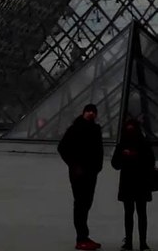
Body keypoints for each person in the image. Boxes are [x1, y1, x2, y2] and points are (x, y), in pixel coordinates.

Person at [59, 104, 104, 250]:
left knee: (86, 204)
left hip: (91, 172)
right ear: (83, 112)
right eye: (88, 111)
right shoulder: (75, 129)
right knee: (81, 205)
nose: (91, 113)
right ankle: (81, 238)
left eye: (93, 111)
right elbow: (62, 148)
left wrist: (98, 167)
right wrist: (74, 165)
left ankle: (84, 236)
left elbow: (99, 150)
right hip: (79, 173)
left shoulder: (95, 129)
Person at [111, 117, 154, 251]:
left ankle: (136, 242)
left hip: (132, 183)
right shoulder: (143, 144)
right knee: (137, 214)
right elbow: (115, 164)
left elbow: (115, 164)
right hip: (138, 183)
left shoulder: (125, 144)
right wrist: (125, 156)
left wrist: (132, 156)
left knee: (134, 214)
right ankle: (138, 242)